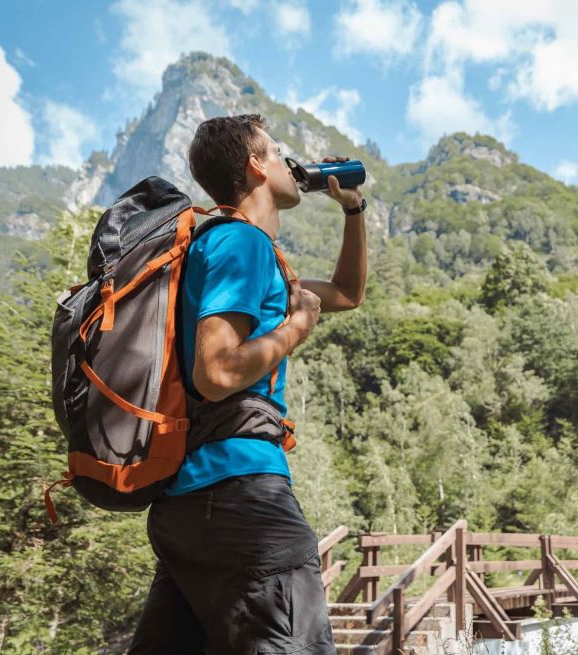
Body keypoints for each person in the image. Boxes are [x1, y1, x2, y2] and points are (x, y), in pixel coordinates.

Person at [129, 113, 366, 654]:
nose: (290, 164)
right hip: (239, 495)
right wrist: (298, 327)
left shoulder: (234, 253)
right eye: (279, 153)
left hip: (189, 506)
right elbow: (215, 374)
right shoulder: (242, 244)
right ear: (256, 166)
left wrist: (354, 210)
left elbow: (348, 294)